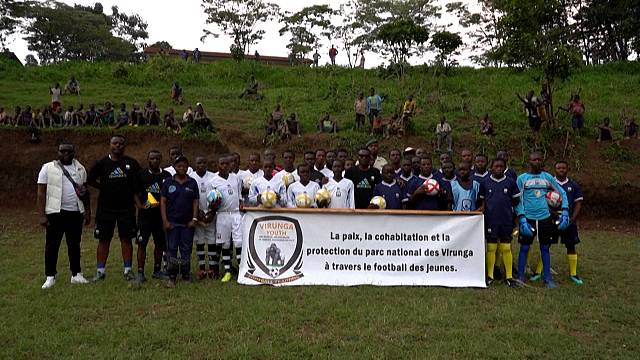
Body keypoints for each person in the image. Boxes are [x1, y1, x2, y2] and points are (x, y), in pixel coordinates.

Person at [88, 135, 141, 281]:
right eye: (115, 143)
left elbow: (139, 182)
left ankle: (128, 270)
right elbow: (90, 179)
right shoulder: (101, 163)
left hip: (126, 209)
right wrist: (103, 187)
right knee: (103, 240)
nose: (118, 146)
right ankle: (100, 271)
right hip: (106, 209)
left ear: (125, 146)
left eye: (121, 144)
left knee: (126, 239)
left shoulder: (132, 163)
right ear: (110, 145)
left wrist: (139, 201)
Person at [37, 142, 91, 289]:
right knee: (52, 245)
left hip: (75, 212)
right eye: (62, 151)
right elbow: (41, 192)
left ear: (74, 153)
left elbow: (85, 192)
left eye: (69, 151)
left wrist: (88, 211)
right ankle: (50, 276)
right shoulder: (47, 168)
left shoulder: (80, 168)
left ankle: (76, 274)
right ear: (58, 152)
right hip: (55, 213)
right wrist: (42, 215)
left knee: (74, 245)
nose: (66, 154)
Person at [515, 152, 570, 288]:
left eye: (539, 159)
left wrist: (565, 211)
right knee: (524, 247)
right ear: (529, 161)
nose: (537, 161)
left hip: (545, 218)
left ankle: (548, 278)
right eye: (534, 159)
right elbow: (518, 200)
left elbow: (561, 193)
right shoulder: (522, 179)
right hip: (528, 219)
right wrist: (521, 218)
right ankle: (520, 277)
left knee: (545, 247)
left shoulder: (547, 177)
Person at [538, 160, 584, 285]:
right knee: (545, 245)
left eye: (564, 168)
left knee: (571, 246)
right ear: (555, 169)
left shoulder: (573, 185)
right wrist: (551, 213)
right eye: (559, 168)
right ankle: (539, 271)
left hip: (568, 221)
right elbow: (542, 201)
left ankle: (574, 273)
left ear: (567, 169)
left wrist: (572, 218)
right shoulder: (548, 185)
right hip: (550, 220)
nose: (561, 170)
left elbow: (578, 203)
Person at [479, 158, 521, 287]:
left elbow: (515, 201)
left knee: (506, 247)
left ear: (505, 167)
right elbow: (482, 201)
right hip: (491, 220)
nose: (499, 168)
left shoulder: (510, 182)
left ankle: (509, 277)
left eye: (501, 166)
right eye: (496, 166)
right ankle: (490, 276)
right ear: (491, 168)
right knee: (491, 247)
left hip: (506, 220)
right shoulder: (485, 182)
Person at [161, 156, 199, 287]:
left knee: (186, 249)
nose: (182, 168)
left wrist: (194, 219)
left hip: (187, 224)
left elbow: (195, 201)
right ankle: (171, 276)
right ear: (175, 167)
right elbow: (163, 202)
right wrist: (165, 221)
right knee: (171, 249)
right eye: (179, 166)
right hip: (172, 223)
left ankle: (186, 274)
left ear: (188, 167)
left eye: (184, 166)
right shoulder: (168, 182)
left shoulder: (192, 182)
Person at [134, 150, 171, 283]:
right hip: (145, 217)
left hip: (160, 216)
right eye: (152, 158)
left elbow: (169, 195)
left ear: (161, 159)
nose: (154, 161)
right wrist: (140, 206)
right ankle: (140, 272)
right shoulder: (141, 175)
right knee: (141, 243)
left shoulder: (167, 176)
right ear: (148, 159)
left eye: (157, 158)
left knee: (160, 244)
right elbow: (135, 193)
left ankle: (157, 270)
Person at [210, 154, 243, 282]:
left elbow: (239, 195)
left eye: (227, 164)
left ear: (231, 165)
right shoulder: (213, 181)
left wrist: (240, 203)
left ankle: (242, 270)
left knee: (239, 241)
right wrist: (213, 203)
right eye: (222, 164)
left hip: (235, 214)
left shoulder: (235, 178)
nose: (225, 166)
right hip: (222, 215)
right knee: (225, 243)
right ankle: (228, 271)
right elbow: (211, 200)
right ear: (218, 165)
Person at [190, 156, 218, 280]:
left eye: (203, 162)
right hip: (198, 214)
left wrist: (212, 212)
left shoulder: (213, 177)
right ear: (195, 164)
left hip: (211, 214)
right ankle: (202, 268)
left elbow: (218, 195)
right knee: (200, 241)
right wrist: (197, 213)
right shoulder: (191, 178)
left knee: (211, 240)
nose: (201, 164)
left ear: (207, 163)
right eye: (198, 162)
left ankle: (212, 268)